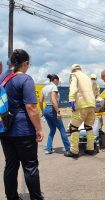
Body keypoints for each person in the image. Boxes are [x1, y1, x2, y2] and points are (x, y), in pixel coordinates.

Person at [0, 49, 44, 200]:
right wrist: (39, 128)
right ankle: (36, 198)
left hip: (4, 128)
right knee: (30, 166)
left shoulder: (2, 77)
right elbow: (31, 108)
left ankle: (12, 197)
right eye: (28, 64)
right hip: (23, 130)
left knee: (10, 165)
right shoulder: (26, 79)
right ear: (25, 63)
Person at [65, 64, 96, 157]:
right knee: (89, 128)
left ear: (73, 70)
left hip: (81, 107)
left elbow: (73, 88)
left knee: (73, 127)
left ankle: (74, 150)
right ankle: (90, 149)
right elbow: (94, 91)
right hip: (91, 106)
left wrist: (71, 100)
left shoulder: (74, 75)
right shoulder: (87, 77)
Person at [40, 74, 70, 155]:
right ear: (55, 80)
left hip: (46, 109)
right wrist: (58, 112)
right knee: (62, 129)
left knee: (52, 130)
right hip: (52, 109)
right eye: (58, 80)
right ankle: (68, 149)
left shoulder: (44, 88)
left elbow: (40, 101)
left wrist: (42, 112)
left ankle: (48, 149)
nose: (59, 82)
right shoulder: (54, 87)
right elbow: (53, 100)